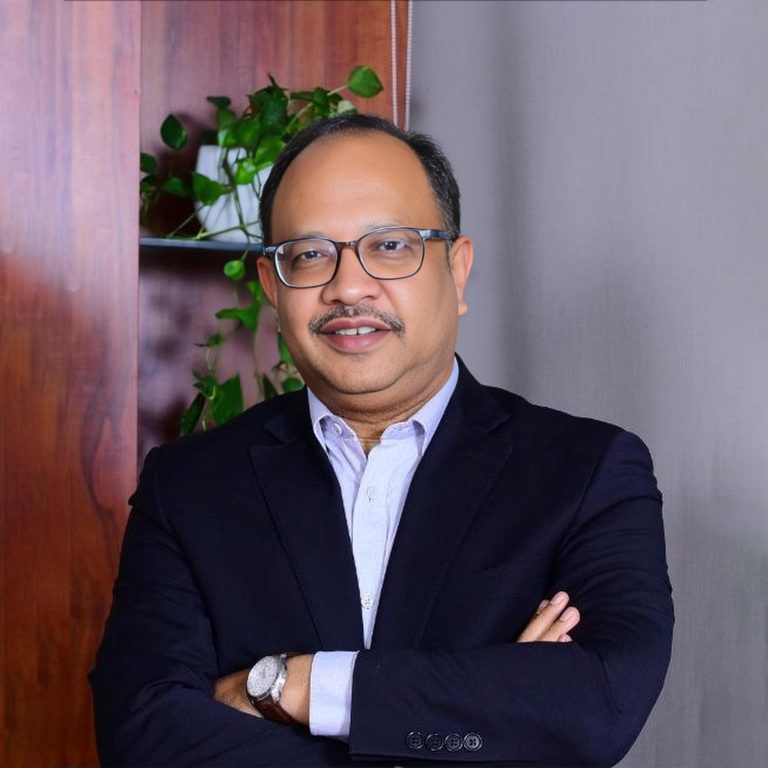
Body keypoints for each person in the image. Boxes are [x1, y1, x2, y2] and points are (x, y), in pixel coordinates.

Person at [91, 114, 673, 767]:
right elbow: (145, 738)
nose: (348, 287)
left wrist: (290, 685)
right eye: (309, 254)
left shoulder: (586, 472)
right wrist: (487, 713)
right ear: (272, 288)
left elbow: (597, 705)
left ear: (457, 270)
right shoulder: (188, 487)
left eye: (390, 245)